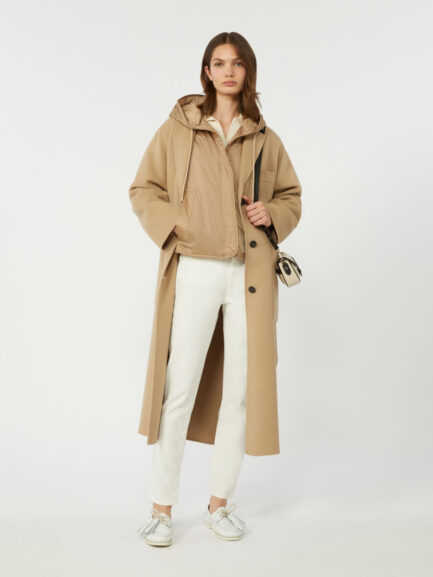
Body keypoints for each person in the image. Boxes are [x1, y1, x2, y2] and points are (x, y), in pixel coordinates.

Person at [129, 31, 302, 547]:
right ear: (206, 71)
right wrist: (177, 225)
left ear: (248, 72)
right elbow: (143, 189)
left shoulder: (264, 137)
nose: (228, 72)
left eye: (237, 64)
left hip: (248, 275)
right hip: (196, 268)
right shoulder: (179, 128)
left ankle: (219, 505)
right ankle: (161, 510)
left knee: (239, 393)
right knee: (179, 388)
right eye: (219, 63)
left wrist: (273, 212)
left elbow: (291, 195)